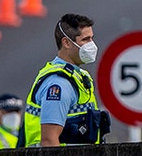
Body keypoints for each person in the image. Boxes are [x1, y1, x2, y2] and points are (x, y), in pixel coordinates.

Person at [21, 13, 109, 147]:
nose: (91, 45)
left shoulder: (77, 76)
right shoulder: (59, 84)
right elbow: (49, 140)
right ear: (66, 42)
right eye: (85, 40)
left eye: (92, 38)